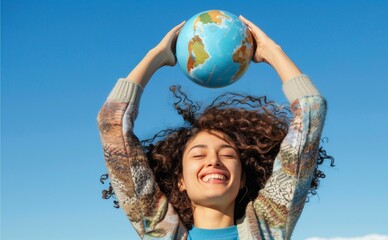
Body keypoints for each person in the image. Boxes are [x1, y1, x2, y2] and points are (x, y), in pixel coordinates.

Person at [97, 15, 330, 240]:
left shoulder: (267, 228)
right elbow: (113, 125)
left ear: (241, 180)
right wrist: (157, 56)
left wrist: (272, 52)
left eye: (228, 154)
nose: (214, 161)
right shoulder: (162, 233)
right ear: (181, 181)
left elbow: (310, 113)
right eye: (198, 154)